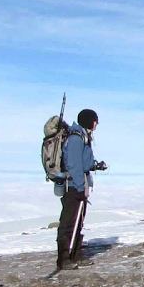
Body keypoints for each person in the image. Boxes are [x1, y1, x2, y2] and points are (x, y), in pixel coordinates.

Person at [57, 108, 105, 270]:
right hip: (73, 186)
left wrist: (95, 165)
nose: (97, 124)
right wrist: (78, 186)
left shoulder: (82, 136)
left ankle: (75, 255)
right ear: (89, 121)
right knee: (69, 221)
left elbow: (83, 162)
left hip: (80, 185)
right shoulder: (76, 138)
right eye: (95, 120)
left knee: (78, 220)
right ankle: (64, 258)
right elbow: (74, 164)